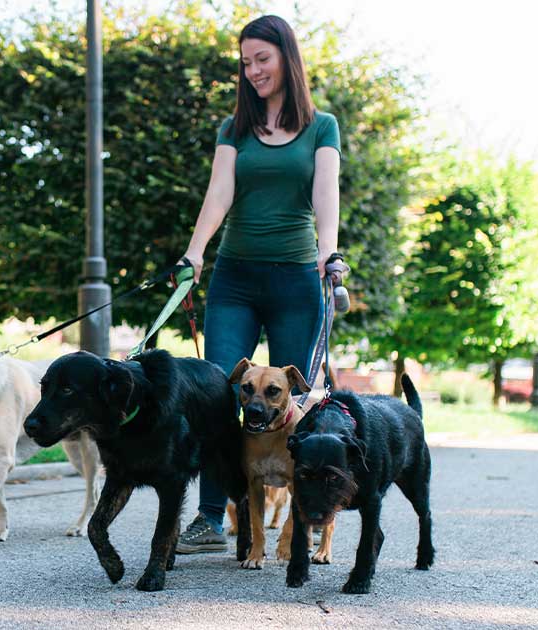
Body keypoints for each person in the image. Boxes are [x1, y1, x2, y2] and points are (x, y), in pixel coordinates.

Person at [174, 14, 342, 554]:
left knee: (297, 405)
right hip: (236, 278)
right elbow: (219, 192)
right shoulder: (235, 128)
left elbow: (325, 194)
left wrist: (327, 251)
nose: (252, 71)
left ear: (286, 58)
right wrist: (195, 253)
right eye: (245, 63)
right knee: (221, 389)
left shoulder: (322, 126)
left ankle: (303, 517)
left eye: (261, 59)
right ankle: (208, 519)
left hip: (296, 280)